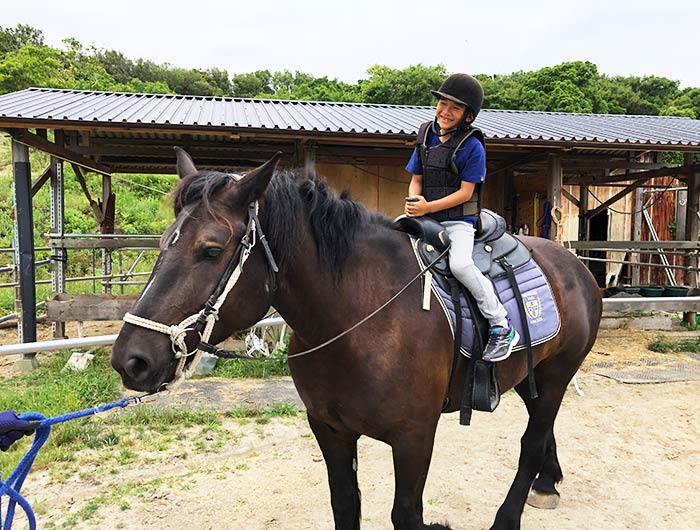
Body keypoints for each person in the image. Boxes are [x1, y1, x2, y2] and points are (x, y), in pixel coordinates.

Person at [404, 73, 519, 362]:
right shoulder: (425, 135)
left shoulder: (473, 147)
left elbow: (466, 193)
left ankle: (500, 324)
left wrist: (428, 208)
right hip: (425, 214)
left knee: (460, 265)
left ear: (468, 116)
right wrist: (414, 200)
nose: (445, 111)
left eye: (454, 108)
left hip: (458, 223)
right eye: (443, 103)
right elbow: (416, 179)